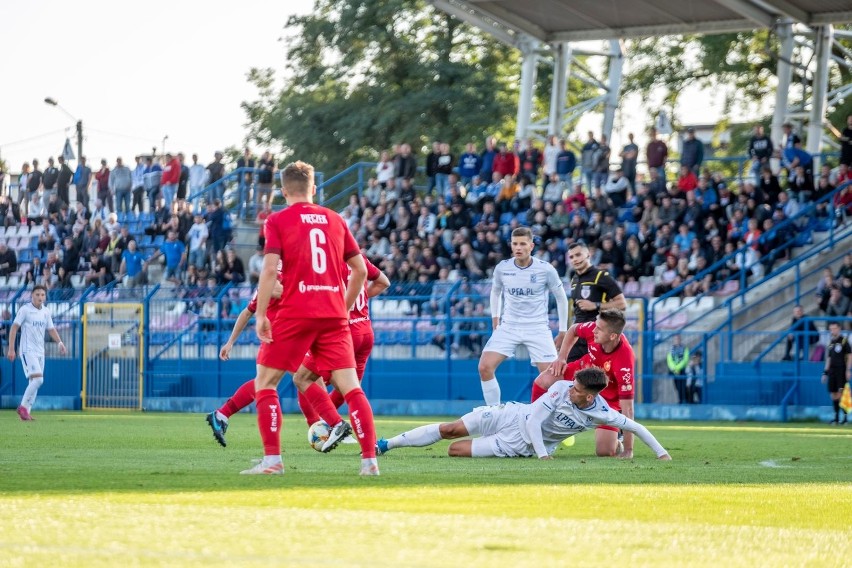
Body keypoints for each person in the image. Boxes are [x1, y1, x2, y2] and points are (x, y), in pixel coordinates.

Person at [249, 160, 379, 476]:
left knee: (265, 383)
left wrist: (262, 314)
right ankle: (369, 463)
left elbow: (269, 270)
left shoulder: (277, 220)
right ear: (313, 189)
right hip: (333, 315)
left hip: (296, 312)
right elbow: (361, 270)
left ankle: (272, 462)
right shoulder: (336, 220)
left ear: (283, 190)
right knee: (351, 388)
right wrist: (344, 307)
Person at [377, 366, 671, 460]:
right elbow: (534, 420)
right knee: (449, 430)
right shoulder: (561, 387)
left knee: (455, 450)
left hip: (519, 445)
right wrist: (544, 455)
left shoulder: (603, 413)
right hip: (513, 416)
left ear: (591, 396)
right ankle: (386, 444)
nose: (570, 390)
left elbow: (637, 426)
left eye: (577, 390)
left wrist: (662, 454)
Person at [477, 227, 569, 406]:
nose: (518, 247)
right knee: (484, 367)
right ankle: (495, 414)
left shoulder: (545, 269)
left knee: (554, 379)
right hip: (509, 326)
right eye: (515, 244)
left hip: (537, 328)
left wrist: (564, 330)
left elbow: (562, 298)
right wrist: (495, 318)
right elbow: (495, 292)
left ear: (531, 246)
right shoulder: (502, 268)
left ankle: (558, 423)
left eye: (522, 244)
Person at [535, 309, 636, 458]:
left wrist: (629, 449)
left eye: (599, 329)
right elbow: (573, 330)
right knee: (543, 381)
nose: (593, 330)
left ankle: (618, 442)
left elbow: (628, 409)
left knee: (604, 452)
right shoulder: (593, 329)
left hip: (607, 399)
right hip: (582, 374)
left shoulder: (625, 361)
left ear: (613, 336)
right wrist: (562, 357)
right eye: (595, 325)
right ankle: (536, 427)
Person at [6, 285, 68, 420]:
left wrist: (60, 342)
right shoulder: (25, 310)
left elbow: (51, 329)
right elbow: (14, 328)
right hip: (27, 350)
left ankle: (25, 413)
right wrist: (11, 348)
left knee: (34, 382)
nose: (40, 297)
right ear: (32, 296)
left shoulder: (46, 312)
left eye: (42, 295)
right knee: (39, 379)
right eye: (37, 294)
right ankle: (22, 407)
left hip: (40, 351)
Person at [565, 241, 627, 362]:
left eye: (578, 255)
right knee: (568, 376)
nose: (575, 259)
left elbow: (622, 304)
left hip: (596, 336)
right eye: (571, 257)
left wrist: (595, 305)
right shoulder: (575, 279)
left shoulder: (601, 276)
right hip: (578, 336)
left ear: (588, 254)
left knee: (595, 378)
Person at [822, 322, 851, 424]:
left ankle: (845, 418)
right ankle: (836, 418)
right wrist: (825, 373)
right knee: (833, 394)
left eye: (834, 328)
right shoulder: (831, 342)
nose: (832, 331)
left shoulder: (844, 341)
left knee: (841, 393)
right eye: (831, 329)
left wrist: (848, 370)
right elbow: (829, 358)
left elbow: (850, 356)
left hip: (841, 371)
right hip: (832, 372)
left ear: (839, 329)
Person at [667, 334, 689, 404]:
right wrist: (675, 369)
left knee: (682, 386)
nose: (677, 341)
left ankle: (683, 400)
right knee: (677, 386)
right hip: (674, 371)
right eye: (675, 339)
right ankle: (681, 400)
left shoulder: (685, 348)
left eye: (678, 339)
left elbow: (685, 359)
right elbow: (669, 360)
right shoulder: (671, 349)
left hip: (682, 371)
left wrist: (678, 368)